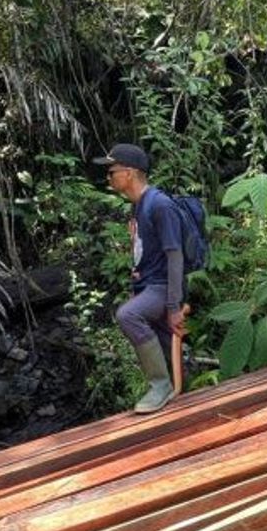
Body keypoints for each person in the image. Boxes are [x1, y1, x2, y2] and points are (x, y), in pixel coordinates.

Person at [95, 144, 188, 414]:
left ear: (130, 173)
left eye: (112, 171)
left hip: (164, 288)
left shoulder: (159, 205)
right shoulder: (140, 206)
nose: (109, 178)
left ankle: (159, 385)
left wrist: (173, 306)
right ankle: (177, 388)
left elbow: (175, 256)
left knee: (127, 315)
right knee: (163, 344)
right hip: (151, 286)